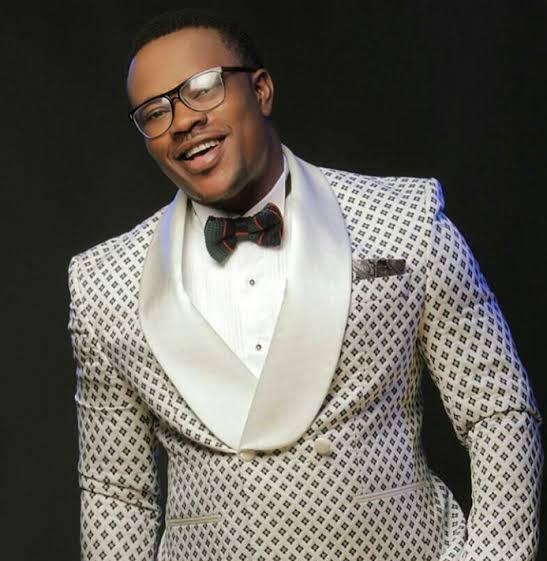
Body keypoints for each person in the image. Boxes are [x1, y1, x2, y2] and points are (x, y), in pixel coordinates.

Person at [67, 9, 542, 561]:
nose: (182, 121)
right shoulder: (105, 284)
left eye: (203, 88)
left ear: (261, 90)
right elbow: (116, 493)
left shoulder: (406, 220)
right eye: (155, 112)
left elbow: (498, 411)